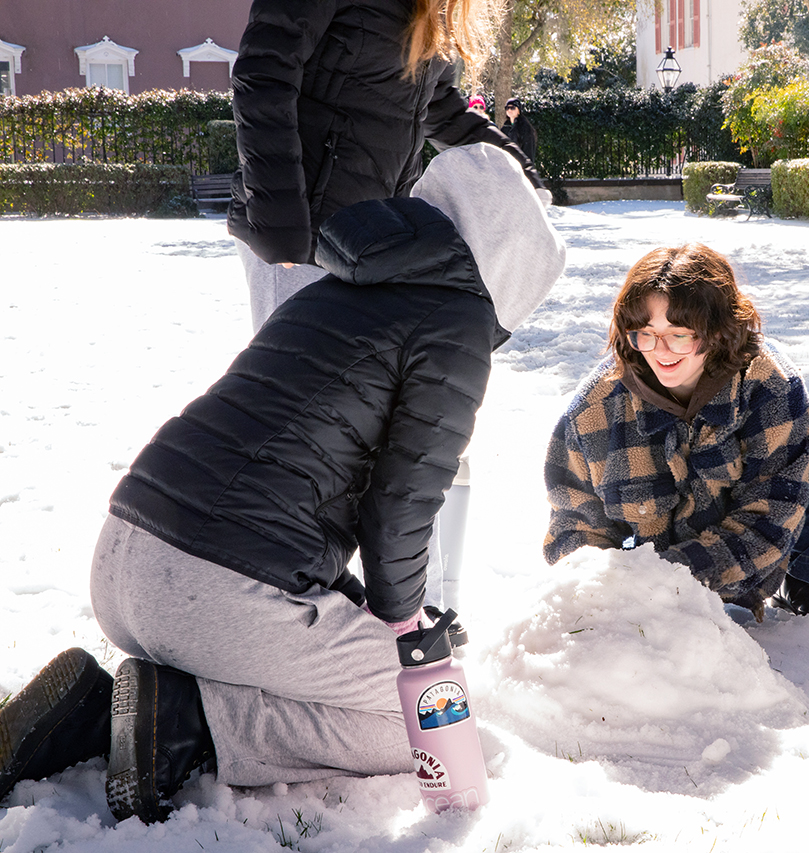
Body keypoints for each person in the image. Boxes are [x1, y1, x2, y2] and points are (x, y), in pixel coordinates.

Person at [0, 144, 566, 822]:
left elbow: (287, 491)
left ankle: (98, 715)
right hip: (208, 589)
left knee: (353, 665)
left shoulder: (341, 288)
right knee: (424, 719)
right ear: (511, 261)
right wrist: (408, 631)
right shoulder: (455, 318)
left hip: (126, 557)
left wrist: (362, 607)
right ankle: (190, 720)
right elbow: (402, 504)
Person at [543, 243, 809, 621]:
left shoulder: (769, 383)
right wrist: (614, 595)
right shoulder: (594, 408)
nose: (660, 350)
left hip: (742, 560)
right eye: (645, 333)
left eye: (680, 335)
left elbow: (770, 515)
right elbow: (574, 527)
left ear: (718, 332)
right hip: (648, 588)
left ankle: (803, 579)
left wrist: (675, 580)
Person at [228, 0, 550, 332]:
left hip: (374, 232)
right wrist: (279, 221)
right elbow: (264, 73)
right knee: (296, 376)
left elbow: (441, 105)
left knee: (358, 377)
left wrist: (519, 171)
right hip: (303, 228)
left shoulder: (433, 8)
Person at [500, 98, 537, 167]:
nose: (509, 110)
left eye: (512, 108)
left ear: (519, 111)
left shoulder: (525, 128)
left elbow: (528, 150)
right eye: (507, 108)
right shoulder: (505, 128)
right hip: (507, 166)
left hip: (520, 165)